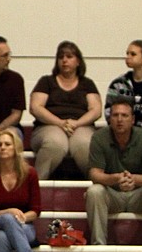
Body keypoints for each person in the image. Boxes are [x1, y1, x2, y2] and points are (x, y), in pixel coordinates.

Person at [86, 97, 142, 246]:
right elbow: (94, 174)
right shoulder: (99, 137)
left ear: (133, 119)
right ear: (110, 119)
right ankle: (98, 245)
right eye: (115, 115)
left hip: (139, 196)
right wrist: (115, 178)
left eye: (124, 115)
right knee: (94, 191)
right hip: (112, 194)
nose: (119, 120)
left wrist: (134, 179)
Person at [29, 41, 102, 180]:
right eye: (61, 57)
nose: (64, 60)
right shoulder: (46, 81)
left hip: (81, 126)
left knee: (85, 144)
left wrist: (77, 123)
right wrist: (60, 123)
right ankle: (37, 184)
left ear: (78, 61)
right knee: (55, 143)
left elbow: (96, 109)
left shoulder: (87, 83)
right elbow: (36, 107)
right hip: (48, 126)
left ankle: (96, 184)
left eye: (69, 56)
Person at [105, 40, 142, 149]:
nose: (128, 57)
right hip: (120, 133)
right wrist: (124, 130)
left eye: (133, 54)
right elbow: (109, 110)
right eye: (127, 54)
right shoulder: (118, 84)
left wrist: (138, 131)